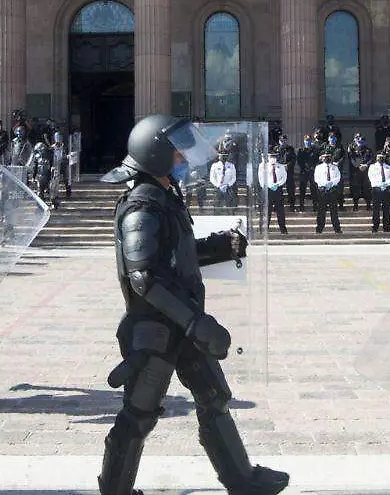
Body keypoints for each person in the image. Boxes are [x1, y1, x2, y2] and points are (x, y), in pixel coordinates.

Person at [98, 114, 288, 495]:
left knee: (214, 397)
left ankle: (242, 479)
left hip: (181, 322)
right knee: (139, 414)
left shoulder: (163, 196)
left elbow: (174, 258)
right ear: (156, 157)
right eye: (177, 154)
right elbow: (145, 278)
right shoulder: (142, 206)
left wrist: (219, 246)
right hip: (157, 329)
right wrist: (196, 324)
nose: (184, 160)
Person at [257, 151, 288, 234]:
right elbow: (261, 178)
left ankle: (283, 229)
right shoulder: (263, 166)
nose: (273, 159)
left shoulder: (281, 166)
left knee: (280, 210)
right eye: (271, 157)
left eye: (274, 157)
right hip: (268, 190)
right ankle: (264, 229)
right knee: (267, 210)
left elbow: (284, 177)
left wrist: (278, 184)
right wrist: (269, 185)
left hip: (278, 189)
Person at [314, 152, 342, 234]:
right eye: (325, 157)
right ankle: (319, 229)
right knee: (321, 211)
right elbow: (316, 178)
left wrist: (331, 183)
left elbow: (338, 177)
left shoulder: (335, 167)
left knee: (334, 211)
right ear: (322, 158)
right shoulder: (318, 168)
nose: (326, 159)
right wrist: (325, 183)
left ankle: (337, 229)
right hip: (322, 190)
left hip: (332, 190)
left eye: (328, 157)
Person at [367, 152, 390, 233]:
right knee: (376, 209)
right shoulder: (372, 167)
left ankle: (386, 227)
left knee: (386, 209)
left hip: (386, 190)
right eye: (379, 157)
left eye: (382, 157)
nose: (380, 159)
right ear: (376, 158)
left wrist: (385, 184)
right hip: (376, 190)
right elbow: (371, 177)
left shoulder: (388, 167)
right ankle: (375, 227)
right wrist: (379, 185)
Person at [295, 135, 319, 212]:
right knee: (302, 189)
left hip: (312, 171)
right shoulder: (301, 150)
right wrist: (304, 166)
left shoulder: (314, 150)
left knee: (314, 189)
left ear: (311, 141)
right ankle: (301, 206)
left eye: (308, 140)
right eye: (306, 140)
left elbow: (316, 160)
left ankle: (315, 205)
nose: (307, 142)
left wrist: (313, 166)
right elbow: (299, 160)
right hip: (303, 171)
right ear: (304, 141)